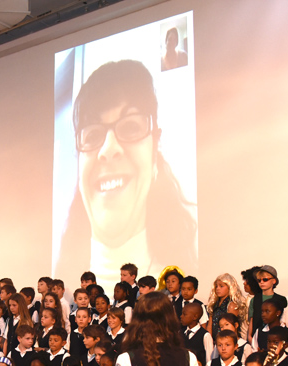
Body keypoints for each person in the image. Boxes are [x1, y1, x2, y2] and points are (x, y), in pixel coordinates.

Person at [54, 59, 196, 286]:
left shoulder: (179, 284)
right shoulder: (61, 286)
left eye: (130, 127)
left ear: (155, 149)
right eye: (92, 135)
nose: (108, 149)